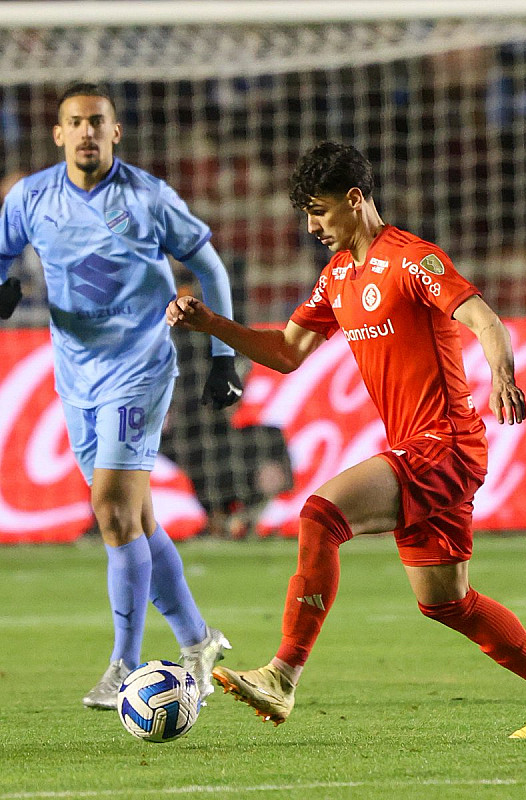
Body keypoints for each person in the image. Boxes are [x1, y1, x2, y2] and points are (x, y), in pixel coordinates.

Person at [166, 140, 526, 738]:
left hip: (444, 442)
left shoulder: (412, 260)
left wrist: (502, 374)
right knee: (445, 601)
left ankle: (282, 675)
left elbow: (483, 319)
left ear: (355, 198)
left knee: (320, 515)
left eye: (319, 210)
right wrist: (211, 323)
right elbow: (288, 352)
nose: (312, 226)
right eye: (306, 214)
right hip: (419, 448)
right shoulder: (338, 275)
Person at [0, 82, 242, 709]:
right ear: (58, 134)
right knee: (134, 519)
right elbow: (1, 259)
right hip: (75, 375)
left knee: (110, 508)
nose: (85, 132)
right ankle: (198, 639)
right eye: (74, 122)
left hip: (140, 368)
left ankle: (122, 665)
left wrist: (223, 355)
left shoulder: (148, 197)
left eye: (96, 122)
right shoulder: (29, 198)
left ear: (116, 132)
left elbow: (212, 267)